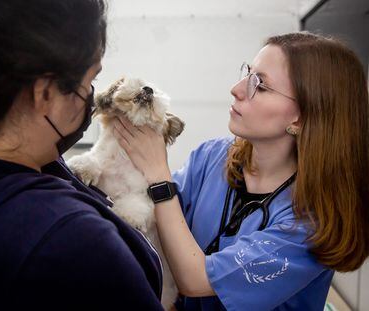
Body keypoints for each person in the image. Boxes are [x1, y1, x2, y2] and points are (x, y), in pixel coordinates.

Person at [113, 32, 369, 310]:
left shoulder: (310, 225)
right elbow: (157, 220)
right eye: (248, 73)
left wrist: (157, 172)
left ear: (302, 117)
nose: (236, 89)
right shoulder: (212, 156)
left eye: (260, 86)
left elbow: (195, 279)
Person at [0, 0, 164, 310]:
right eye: (89, 81)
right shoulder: (73, 243)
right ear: (45, 93)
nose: (92, 99)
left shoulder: (17, 170)